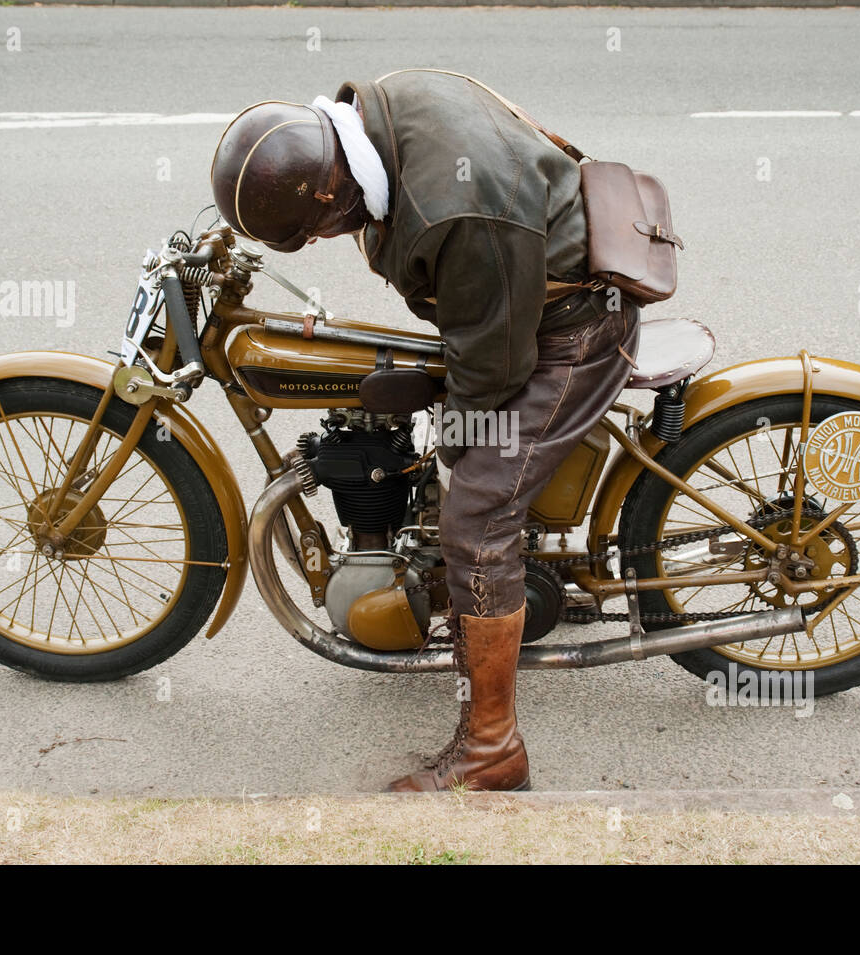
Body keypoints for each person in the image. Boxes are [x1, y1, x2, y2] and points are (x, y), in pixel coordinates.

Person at [210, 69, 640, 792]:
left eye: (311, 231)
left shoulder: (455, 212)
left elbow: (497, 364)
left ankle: (492, 746)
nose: (317, 243)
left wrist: (451, 447)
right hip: (526, 270)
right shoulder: (377, 107)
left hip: (575, 330)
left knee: (474, 516)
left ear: (329, 188)